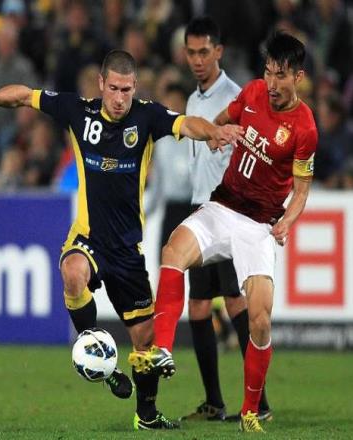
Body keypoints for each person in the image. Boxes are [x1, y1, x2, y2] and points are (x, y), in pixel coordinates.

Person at [0, 49, 240, 431]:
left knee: (145, 343)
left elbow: (186, 123)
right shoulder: (78, 111)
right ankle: (95, 348)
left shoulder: (147, 117)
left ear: (135, 87)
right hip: (89, 237)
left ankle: (147, 414)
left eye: (126, 90)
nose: (120, 98)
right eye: (113, 88)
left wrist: (214, 132)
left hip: (127, 250)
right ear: (101, 84)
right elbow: (26, 95)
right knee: (72, 272)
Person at [129, 32, 318, 433]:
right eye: (268, 72)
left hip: (258, 226)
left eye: (280, 75)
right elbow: (222, 120)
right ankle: (162, 349)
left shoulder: (304, 128)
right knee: (172, 251)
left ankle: (251, 410)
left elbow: (302, 190)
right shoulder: (251, 93)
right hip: (222, 205)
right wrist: (218, 136)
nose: (271, 83)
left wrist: (287, 220)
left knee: (260, 321)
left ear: (297, 77)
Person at [179, 16, 271, 423]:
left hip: (230, 211)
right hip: (200, 210)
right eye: (191, 52)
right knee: (198, 306)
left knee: (236, 301)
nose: (197, 60)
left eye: (204, 52)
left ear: (219, 51)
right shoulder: (193, 100)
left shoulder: (237, 98)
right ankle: (214, 402)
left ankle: (259, 404)